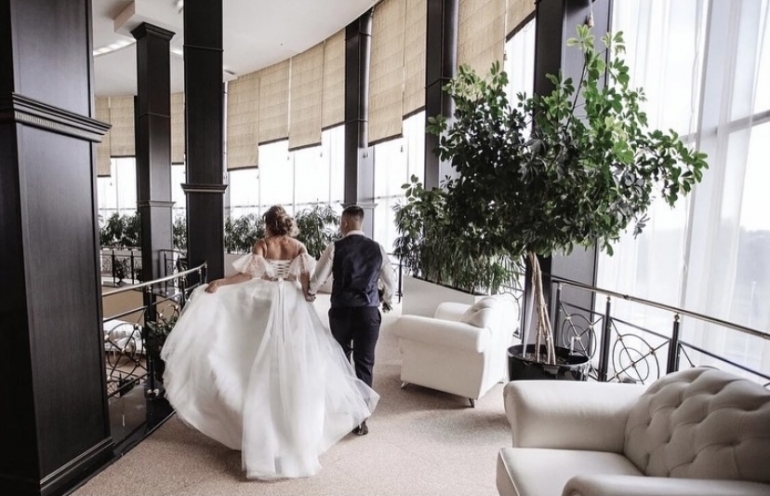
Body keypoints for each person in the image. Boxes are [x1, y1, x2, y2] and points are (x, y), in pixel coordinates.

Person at [160, 206, 378, 480]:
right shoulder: (298, 246)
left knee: (251, 350)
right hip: (292, 302)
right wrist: (309, 296)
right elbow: (305, 283)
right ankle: (293, 426)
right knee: (295, 357)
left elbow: (248, 276)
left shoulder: (263, 244)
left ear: (268, 223)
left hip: (266, 299)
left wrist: (220, 283)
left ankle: (258, 420)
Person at [307, 205, 395, 436]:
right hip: (368, 313)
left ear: (345, 223)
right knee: (365, 362)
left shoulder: (335, 247)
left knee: (342, 359)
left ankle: (345, 407)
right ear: (361, 222)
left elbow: (318, 277)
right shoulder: (378, 248)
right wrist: (384, 298)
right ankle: (362, 417)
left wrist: (311, 293)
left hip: (341, 311)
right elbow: (391, 282)